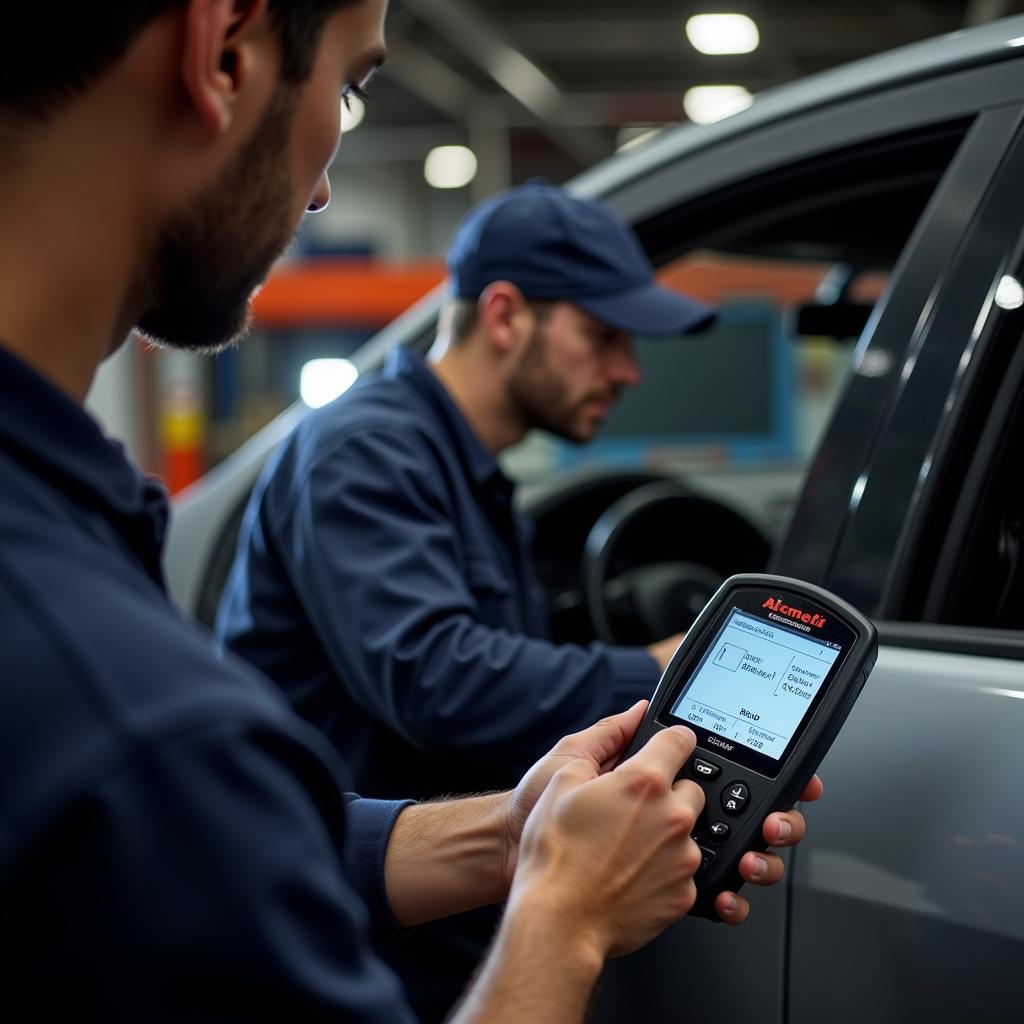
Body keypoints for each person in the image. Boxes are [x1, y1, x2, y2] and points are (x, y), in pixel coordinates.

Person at [0, 1, 821, 1021]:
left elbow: (273, 835)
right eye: (350, 86)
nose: (326, 189)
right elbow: (431, 676)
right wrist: (564, 909)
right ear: (222, 51)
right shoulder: (150, 700)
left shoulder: (79, 561)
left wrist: (521, 829)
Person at [214, 183, 757, 1016]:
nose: (627, 370)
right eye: (603, 335)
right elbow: (436, 677)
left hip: (443, 926)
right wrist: (660, 670)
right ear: (505, 316)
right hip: (363, 943)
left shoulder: (455, 465)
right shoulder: (368, 451)